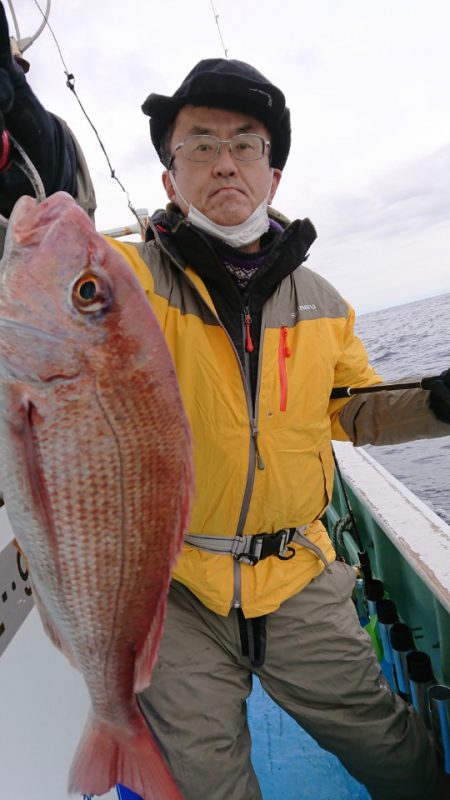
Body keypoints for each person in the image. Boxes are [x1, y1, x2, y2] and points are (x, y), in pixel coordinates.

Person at [1, 6, 450, 799]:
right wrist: (22, 139)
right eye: (200, 145)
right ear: (170, 177)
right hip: (177, 588)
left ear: (274, 174)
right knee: (210, 783)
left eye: (246, 144)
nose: (226, 162)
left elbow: (356, 409)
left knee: (397, 753)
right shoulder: (129, 277)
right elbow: (65, 278)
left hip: (299, 576)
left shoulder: (325, 302)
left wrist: (438, 407)